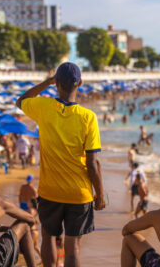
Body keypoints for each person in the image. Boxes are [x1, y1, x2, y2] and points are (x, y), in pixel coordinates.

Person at [17, 62, 106, 267]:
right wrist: (100, 194)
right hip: (79, 192)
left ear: (56, 83)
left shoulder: (44, 107)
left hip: (50, 191)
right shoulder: (88, 117)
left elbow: (21, 100)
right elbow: (92, 163)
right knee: (72, 245)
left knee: (48, 236)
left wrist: (46, 83)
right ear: (80, 83)